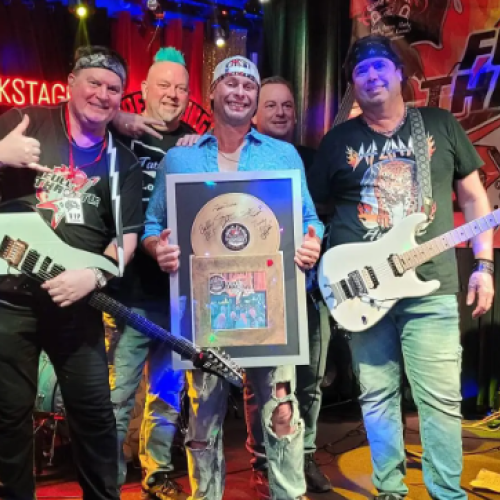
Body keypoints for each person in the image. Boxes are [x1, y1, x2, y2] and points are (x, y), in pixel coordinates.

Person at [307, 34, 494, 500]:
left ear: (399, 75)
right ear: (353, 83)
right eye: (361, 71)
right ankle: (391, 491)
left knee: (440, 401)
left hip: (430, 287)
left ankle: (446, 493)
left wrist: (484, 265)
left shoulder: (438, 124)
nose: (370, 77)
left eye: (379, 68)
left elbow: (474, 200)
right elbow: (310, 209)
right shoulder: (338, 141)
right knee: (377, 398)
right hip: (363, 291)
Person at [143, 56, 324, 500]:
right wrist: (158, 248)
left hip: (273, 308)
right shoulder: (180, 159)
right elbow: (151, 226)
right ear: (211, 94)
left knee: (281, 410)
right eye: (231, 82)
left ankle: (288, 493)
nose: (241, 91)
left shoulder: (283, 154)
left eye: (249, 84)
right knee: (204, 415)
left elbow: (310, 219)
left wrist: (312, 242)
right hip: (205, 312)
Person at [0, 46, 142, 500]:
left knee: (96, 416)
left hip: (76, 304)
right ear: (70, 83)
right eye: (94, 83)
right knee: (8, 415)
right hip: (10, 300)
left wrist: (96, 276)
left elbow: (127, 239)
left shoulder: (124, 164)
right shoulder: (23, 121)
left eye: (113, 88)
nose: (103, 94)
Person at [107, 47, 193, 500]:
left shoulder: (196, 143)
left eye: (180, 87)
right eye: (163, 85)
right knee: (118, 394)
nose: (172, 94)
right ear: (144, 90)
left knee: (165, 395)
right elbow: (86, 111)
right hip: (129, 293)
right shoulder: (117, 133)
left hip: (178, 297)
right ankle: (107, 475)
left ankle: (156, 472)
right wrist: (118, 117)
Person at [244, 76, 333, 496]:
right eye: (272, 106)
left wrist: (314, 239)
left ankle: (305, 454)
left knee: (310, 378)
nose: (281, 112)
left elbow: (317, 219)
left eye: (287, 106)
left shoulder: (313, 159)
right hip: (259, 292)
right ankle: (263, 457)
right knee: (258, 382)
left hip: (308, 288)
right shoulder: (239, 157)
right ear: (254, 114)